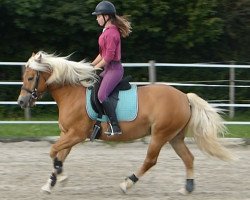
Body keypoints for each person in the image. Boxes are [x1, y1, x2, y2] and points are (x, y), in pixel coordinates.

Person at [91, 1, 132, 135]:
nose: (97, 19)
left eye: (98, 16)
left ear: (106, 16)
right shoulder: (106, 32)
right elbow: (101, 54)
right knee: (94, 86)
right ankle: (99, 121)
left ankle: (115, 126)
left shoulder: (111, 33)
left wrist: (96, 67)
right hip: (108, 69)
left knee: (102, 95)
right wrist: (90, 66)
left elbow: (108, 57)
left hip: (114, 70)